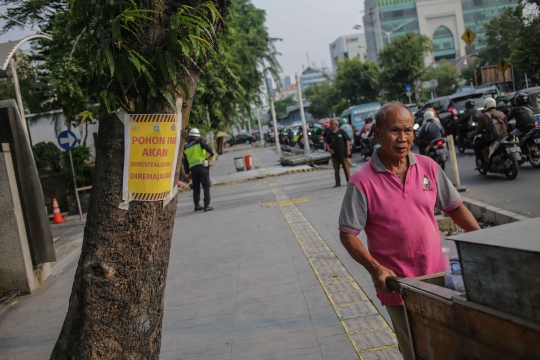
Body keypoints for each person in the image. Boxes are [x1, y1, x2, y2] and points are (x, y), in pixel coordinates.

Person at [338, 102, 481, 360]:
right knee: (416, 352)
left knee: (450, 347)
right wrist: (376, 268)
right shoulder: (362, 181)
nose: (403, 138)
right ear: (378, 134)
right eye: (395, 131)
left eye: (408, 130)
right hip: (399, 287)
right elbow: (348, 233)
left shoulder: (428, 167)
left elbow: (455, 207)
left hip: (439, 280)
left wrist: (483, 239)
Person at [469, 97, 508, 168]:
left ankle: (483, 162)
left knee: (476, 146)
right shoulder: (501, 113)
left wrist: (471, 134)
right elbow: (506, 124)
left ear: (486, 105)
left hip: (491, 139)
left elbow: (479, 130)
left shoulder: (484, 116)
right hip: (504, 137)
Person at [183, 128, 214, 212]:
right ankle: (206, 205)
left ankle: (196, 205)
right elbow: (208, 148)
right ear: (197, 136)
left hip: (193, 169)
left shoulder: (186, 147)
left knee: (196, 188)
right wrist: (211, 154)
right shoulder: (199, 142)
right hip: (202, 167)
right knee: (206, 186)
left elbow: (185, 162)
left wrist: (187, 172)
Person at [326, 119, 351, 187]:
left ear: (336, 124)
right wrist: (329, 149)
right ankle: (337, 183)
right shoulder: (330, 133)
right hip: (334, 155)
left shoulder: (342, 131)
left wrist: (348, 150)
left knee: (346, 169)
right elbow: (327, 142)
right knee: (336, 170)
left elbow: (347, 141)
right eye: (330, 124)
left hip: (343, 154)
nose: (330, 126)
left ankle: (349, 182)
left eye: (331, 124)